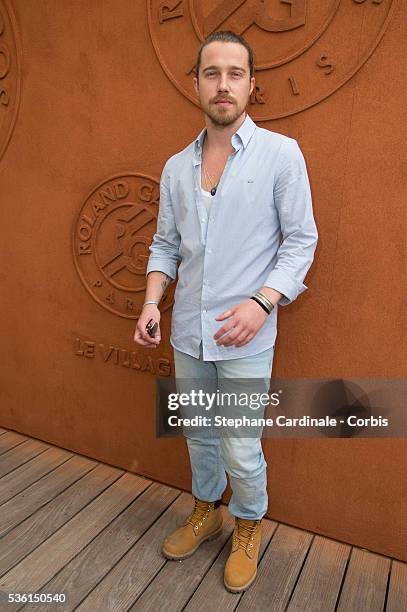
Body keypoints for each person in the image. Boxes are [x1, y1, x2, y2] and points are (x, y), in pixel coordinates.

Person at [134, 30, 318, 593]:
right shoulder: (175, 167)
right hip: (188, 332)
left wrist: (264, 304)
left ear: (251, 84)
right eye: (211, 73)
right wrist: (150, 303)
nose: (223, 85)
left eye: (235, 74)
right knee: (199, 434)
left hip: (245, 337)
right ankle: (206, 510)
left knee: (241, 442)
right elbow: (166, 245)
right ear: (195, 83)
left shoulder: (281, 154)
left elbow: (301, 241)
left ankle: (247, 526)